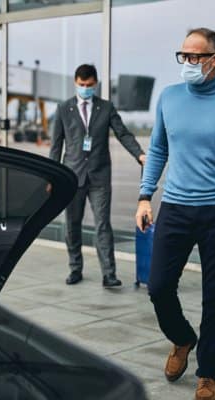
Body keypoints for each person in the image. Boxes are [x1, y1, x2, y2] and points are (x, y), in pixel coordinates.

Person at [135, 28, 215, 400]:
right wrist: (145, 196)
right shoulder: (169, 97)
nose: (188, 63)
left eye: (196, 57)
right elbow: (157, 149)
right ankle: (182, 339)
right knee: (158, 286)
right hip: (176, 207)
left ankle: (207, 373)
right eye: (183, 56)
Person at [50, 64, 146, 288]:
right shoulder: (64, 109)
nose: (85, 89)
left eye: (89, 85)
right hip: (72, 176)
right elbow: (56, 145)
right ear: (75, 83)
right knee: (72, 224)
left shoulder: (106, 108)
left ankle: (109, 274)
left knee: (103, 224)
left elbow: (123, 133)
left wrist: (140, 155)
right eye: (81, 85)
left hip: (99, 176)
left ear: (96, 84)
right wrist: (52, 177)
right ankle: (75, 268)